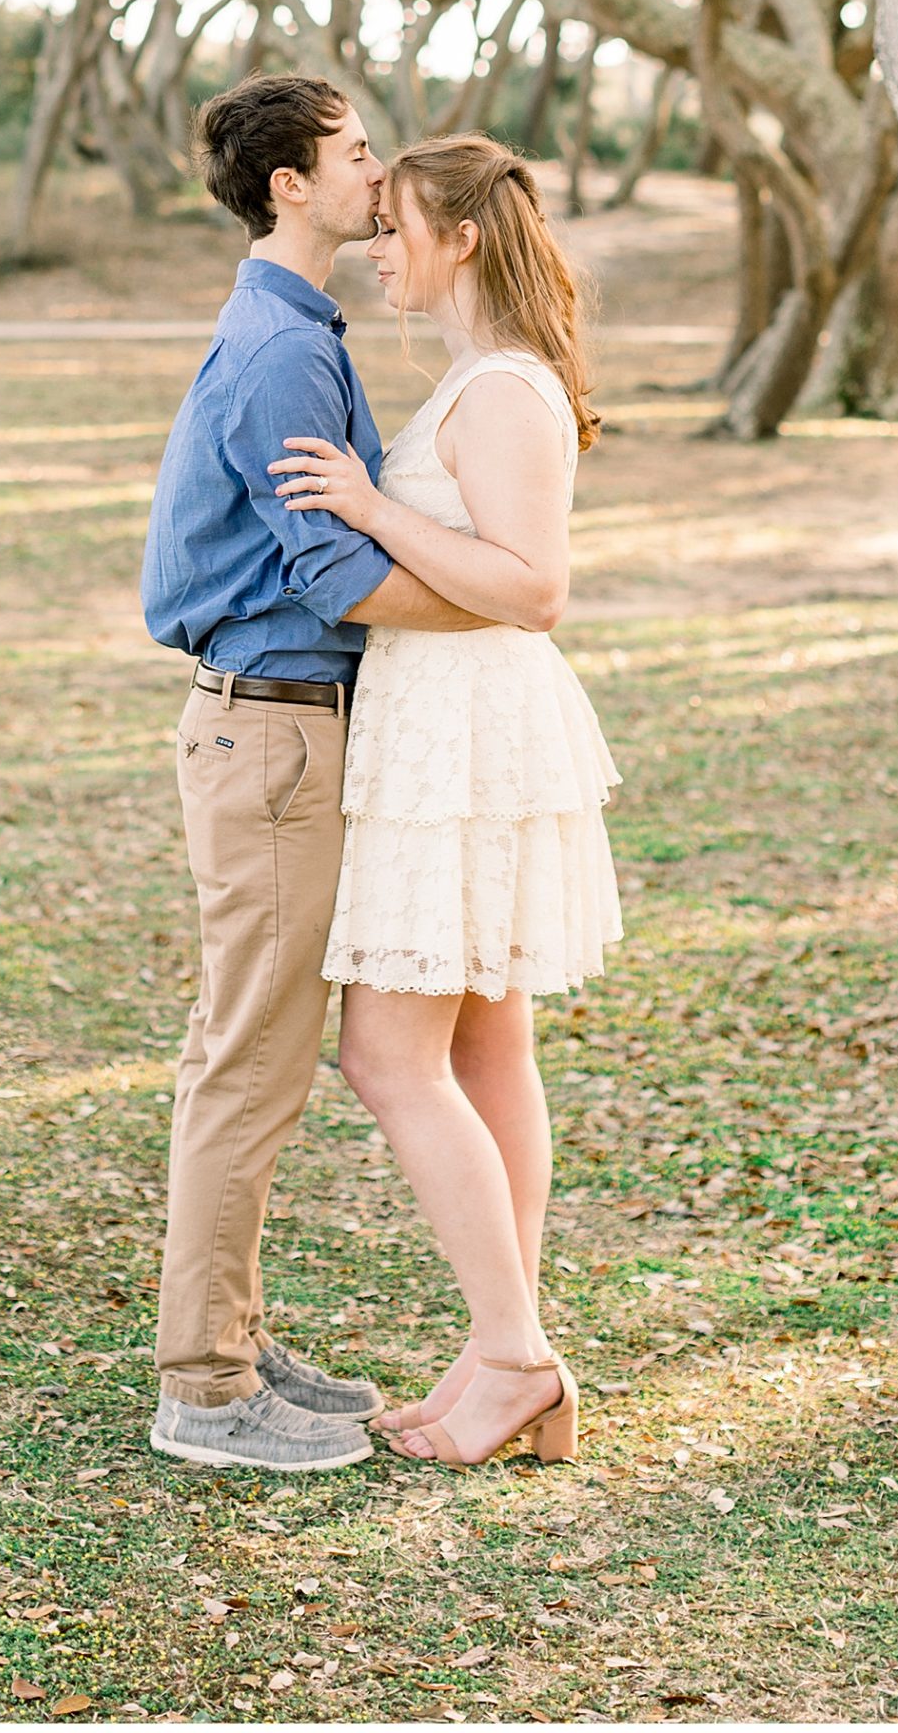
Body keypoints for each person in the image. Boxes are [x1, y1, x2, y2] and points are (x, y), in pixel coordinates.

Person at [140, 74, 494, 1473]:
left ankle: (224, 1336)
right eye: (354, 156)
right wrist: (499, 601)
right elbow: (336, 575)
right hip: (274, 733)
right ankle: (205, 1390)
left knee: (254, 1051)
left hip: (280, 733)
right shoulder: (282, 351)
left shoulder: (291, 327)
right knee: (251, 1061)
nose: (376, 175)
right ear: (289, 185)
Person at [270, 133, 621, 1470]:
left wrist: (366, 504)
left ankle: (518, 1358)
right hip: (444, 727)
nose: (376, 242)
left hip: (470, 741)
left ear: (460, 235)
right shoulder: (478, 382)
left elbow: (531, 586)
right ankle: (498, 1353)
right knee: (482, 1050)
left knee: (388, 1055)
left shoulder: (508, 393)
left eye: (395, 223)